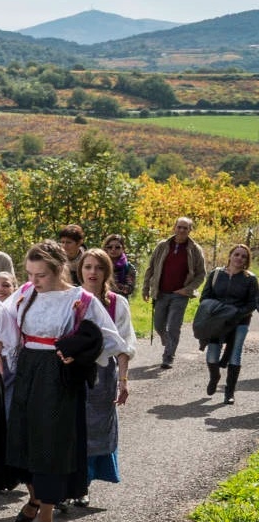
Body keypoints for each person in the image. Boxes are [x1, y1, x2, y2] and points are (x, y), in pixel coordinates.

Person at [0, 243, 127, 522]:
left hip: (58, 375)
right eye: (30, 273)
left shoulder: (80, 300)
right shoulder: (27, 293)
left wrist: (79, 353)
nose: (34, 280)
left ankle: (46, 516)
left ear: (59, 269)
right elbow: (1, 319)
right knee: (23, 436)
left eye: (40, 274)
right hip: (27, 367)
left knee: (51, 444)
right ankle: (33, 496)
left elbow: (109, 340)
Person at [71, 248, 134, 507]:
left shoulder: (117, 303)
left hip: (102, 373)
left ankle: (82, 483)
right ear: (80, 270)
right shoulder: (71, 298)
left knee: (94, 427)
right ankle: (64, 483)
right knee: (68, 427)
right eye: (87, 267)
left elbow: (123, 345)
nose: (92, 272)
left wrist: (123, 380)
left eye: (98, 267)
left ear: (107, 271)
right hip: (71, 372)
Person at [143, 217, 206, 369]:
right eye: (180, 227)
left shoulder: (195, 249)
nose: (182, 230)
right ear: (174, 227)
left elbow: (201, 274)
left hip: (180, 295)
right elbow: (151, 268)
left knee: (173, 326)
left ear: (190, 230)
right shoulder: (163, 245)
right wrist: (146, 288)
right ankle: (167, 340)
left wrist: (187, 289)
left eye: (185, 228)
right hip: (161, 292)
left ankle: (168, 356)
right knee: (159, 324)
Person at [201, 244, 256, 404]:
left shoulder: (250, 279)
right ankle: (215, 376)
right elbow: (205, 297)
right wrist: (217, 311)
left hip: (240, 321)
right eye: (237, 254)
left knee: (236, 353)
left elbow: (252, 303)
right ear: (230, 256)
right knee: (212, 354)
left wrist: (236, 315)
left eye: (243, 256)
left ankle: (229, 392)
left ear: (247, 260)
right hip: (217, 320)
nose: (239, 258)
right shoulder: (216, 274)